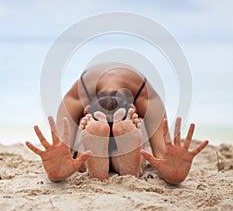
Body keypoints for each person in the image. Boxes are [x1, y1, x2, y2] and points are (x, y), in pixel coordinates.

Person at [26, 63, 208, 184]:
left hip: (99, 128)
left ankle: (92, 153)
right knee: (137, 142)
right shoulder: (149, 99)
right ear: (133, 108)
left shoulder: (74, 98)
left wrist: (62, 165)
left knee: (80, 146)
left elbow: (63, 149)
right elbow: (161, 154)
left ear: (86, 109)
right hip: (127, 130)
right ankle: (129, 163)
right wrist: (170, 170)